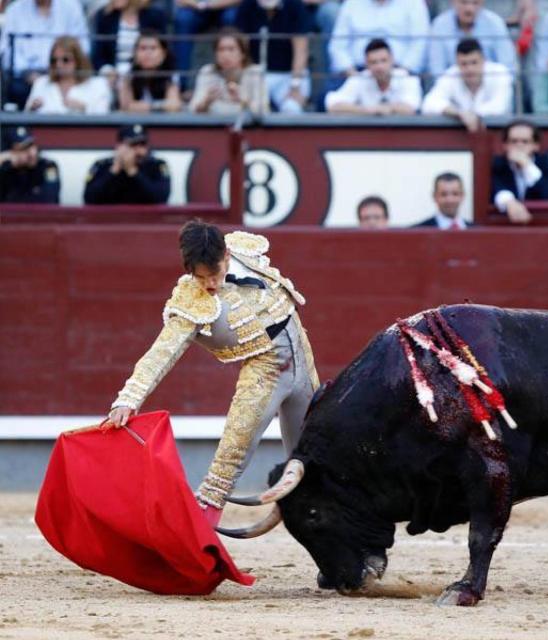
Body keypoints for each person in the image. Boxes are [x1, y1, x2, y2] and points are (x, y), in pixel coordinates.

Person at [105, 221, 320, 526]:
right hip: (265, 370)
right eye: (200, 277)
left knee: (316, 449)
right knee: (231, 455)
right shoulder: (189, 301)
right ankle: (200, 528)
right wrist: (128, 398)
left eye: (215, 273)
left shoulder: (246, 252)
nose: (210, 284)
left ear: (227, 255)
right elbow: (161, 352)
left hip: (302, 356)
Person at [0, 0, 90, 109]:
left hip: (67, 74)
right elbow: (7, 51)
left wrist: (63, 67)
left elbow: (83, 45)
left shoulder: (71, 6)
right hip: (27, 77)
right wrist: (28, 74)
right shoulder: (14, 10)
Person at [235, 0, 312, 114]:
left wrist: (295, 86)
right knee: (249, 110)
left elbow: (301, 51)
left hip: (288, 75)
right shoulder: (247, 5)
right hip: (256, 74)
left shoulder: (295, 6)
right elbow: (242, 48)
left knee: (292, 108)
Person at [421, 38, 513, 132]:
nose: (470, 69)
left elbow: (500, 106)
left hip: (498, 133)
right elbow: (428, 104)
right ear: (457, 63)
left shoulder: (500, 72)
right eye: (464, 64)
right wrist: (460, 113)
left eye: (474, 62)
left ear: (483, 60)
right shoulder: (451, 74)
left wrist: (471, 114)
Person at [327, 0, 430, 76]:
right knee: (325, 99)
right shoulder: (351, 3)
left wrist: (401, 74)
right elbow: (337, 46)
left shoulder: (414, 3)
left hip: (400, 73)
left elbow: (420, 44)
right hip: (355, 72)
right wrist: (353, 75)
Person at [325, 38, 422, 114]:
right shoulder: (360, 79)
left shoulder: (407, 79)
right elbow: (332, 105)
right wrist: (367, 110)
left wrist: (385, 108)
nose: (379, 67)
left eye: (383, 60)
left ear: (392, 60)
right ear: (366, 64)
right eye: (374, 62)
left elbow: (410, 108)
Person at [491, 119, 548, 224]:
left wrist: (527, 166)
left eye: (525, 141)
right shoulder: (496, 164)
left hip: (541, 226)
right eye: (513, 141)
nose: (519, 145)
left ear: (536, 146)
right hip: (503, 226)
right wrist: (509, 202)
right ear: (505, 145)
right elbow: (496, 188)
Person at [427, 0, 516, 80]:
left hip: (490, 86)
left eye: (475, 3)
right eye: (464, 2)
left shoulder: (495, 23)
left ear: (482, 2)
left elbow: (508, 68)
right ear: (453, 1)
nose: (469, 9)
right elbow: (437, 70)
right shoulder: (439, 25)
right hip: (451, 87)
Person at [83, 124, 170, 205]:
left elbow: (161, 199)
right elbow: (89, 199)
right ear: (119, 146)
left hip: (146, 219)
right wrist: (113, 171)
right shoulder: (102, 165)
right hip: (109, 219)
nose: (139, 150)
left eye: (143, 144)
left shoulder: (157, 166)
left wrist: (133, 172)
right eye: (133, 145)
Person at [190, 28, 267, 116]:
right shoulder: (207, 72)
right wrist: (207, 102)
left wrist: (242, 99)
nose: (225, 55)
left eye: (231, 49)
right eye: (221, 49)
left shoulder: (255, 73)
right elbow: (192, 110)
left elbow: (263, 111)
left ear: (243, 54)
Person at [24, 37, 112, 115]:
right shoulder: (41, 83)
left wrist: (84, 108)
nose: (59, 65)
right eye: (54, 60)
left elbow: (103, 117)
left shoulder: (98, 85)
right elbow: (25, 117)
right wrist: (32, 109)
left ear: (78, 60)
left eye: (65, 60)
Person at [173, 0, 241, 89]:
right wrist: (199, 5)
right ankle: (181, 85)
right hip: (195, 8)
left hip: (225, 6)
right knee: (183, 19)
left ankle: (233, 82)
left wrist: (209, 4)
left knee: (232, 17)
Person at [91, 0, 167, 76]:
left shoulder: (155, 16)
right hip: (113, 74)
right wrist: (107, 70)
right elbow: (97, 55)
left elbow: (163, 49)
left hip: (145, 75)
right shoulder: (105, 16)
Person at [118, 31, 183, 113]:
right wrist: (161, 105)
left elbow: (174, 105)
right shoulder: (127, 72)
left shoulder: (170, 73)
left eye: (153, 48)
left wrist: (149, 106)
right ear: (135, 53)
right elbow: (126, 106)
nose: (148, 53)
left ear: (163, 54)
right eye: (143, 48)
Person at [0, 127, 60, 204]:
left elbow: (49, 198)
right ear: (10, 153)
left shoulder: (47, 166)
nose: (32, 153)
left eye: (32, 145)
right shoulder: (5, 170)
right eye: (23, 149)